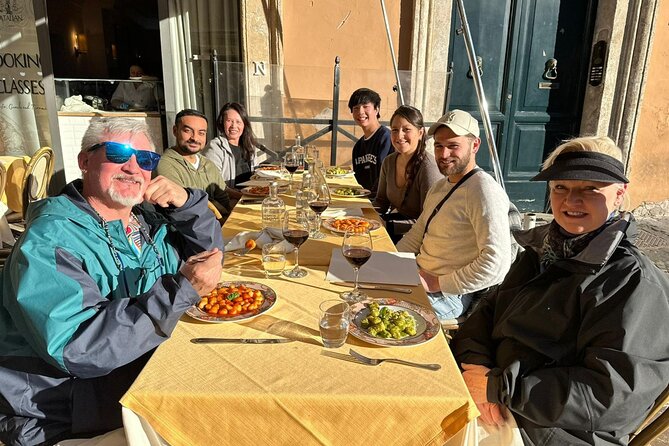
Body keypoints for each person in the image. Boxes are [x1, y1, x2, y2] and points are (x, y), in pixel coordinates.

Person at [0, 117, 224, 445]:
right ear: (85, 161)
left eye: (146, 159)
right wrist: (179, 291)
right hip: (68, 412)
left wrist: (187, 205)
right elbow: (81, 347)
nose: (134, 168)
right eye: (119, 154)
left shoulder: (145, 217)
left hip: (137, 378)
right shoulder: (50, 241)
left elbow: (211, 257)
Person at [451, 136, 669, 445]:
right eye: (560, 188)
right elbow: (487, 312)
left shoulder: (631, 282)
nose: (570, 201)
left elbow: (612, 396)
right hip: (496, 395)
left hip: (556, 432)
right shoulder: (543, 250)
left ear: (619, 194)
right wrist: (477, 367)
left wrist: (499, 389)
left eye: (590, 189)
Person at [396, 109, 512, 323]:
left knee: (378, 314)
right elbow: (417, 234)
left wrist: (438, 282)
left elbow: (497, 264)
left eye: (453, 146)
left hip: (448, 296)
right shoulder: (441, 186)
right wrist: (388, 262)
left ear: (475, 145)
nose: (443, 154)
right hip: (418, 276)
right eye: (439, 146)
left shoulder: (484, 191)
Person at [374, 105, 441, 243]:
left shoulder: (428, 169)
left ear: (421, 133)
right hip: (393, 226)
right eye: (394, 130)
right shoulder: (389, 162)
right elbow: (381, 202)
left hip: (418, 240)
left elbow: (429, 222)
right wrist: (360, 213)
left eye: (406, 130)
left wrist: (389, 225)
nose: (399, 136)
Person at [155, 108, 233, 222]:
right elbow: (186, 210)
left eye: (201, 133)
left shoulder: (208, 164)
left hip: (221, 225)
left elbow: (224, 198)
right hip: (190, 232)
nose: (195, 138)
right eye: (188, 131)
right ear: (175, 131)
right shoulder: (164, 165)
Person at [202, 102, 272, 193]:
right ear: (222, 122)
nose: (234, 126)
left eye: (238, 122)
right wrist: (239, 195)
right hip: (229, 199)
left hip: (250, 195)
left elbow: (256, 175)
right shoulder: (215, 147)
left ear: (244, 124)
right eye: (229, 121)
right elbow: (212, 185)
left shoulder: (249, 145)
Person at [348, 88, 393, 197]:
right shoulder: (358, 147)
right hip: (363, 200)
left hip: (381, 203)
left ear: (376, 109)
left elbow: (389, 178)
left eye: (365, 106)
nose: (360, 112)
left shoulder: (387, 138)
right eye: (356, 108)